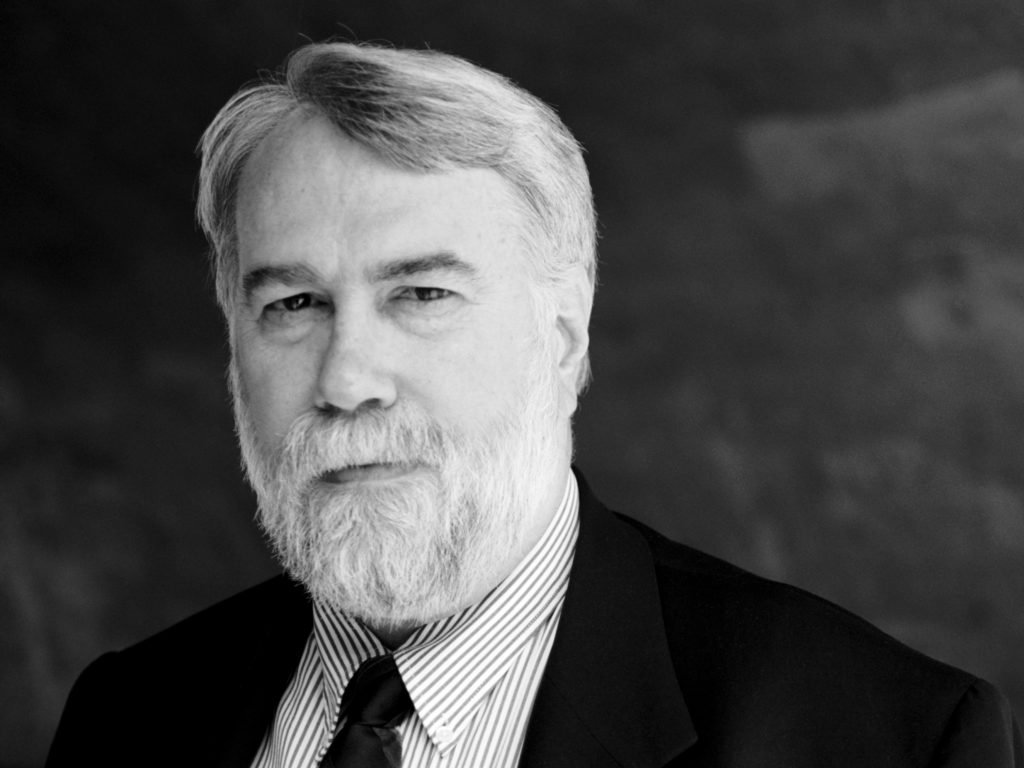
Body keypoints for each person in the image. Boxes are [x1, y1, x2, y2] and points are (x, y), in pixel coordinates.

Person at [47, 41, 1021, 768]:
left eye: (421, 294)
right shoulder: (125, 719)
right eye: (292, 304)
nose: (346, 380)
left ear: (562, 336)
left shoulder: (885, 737)